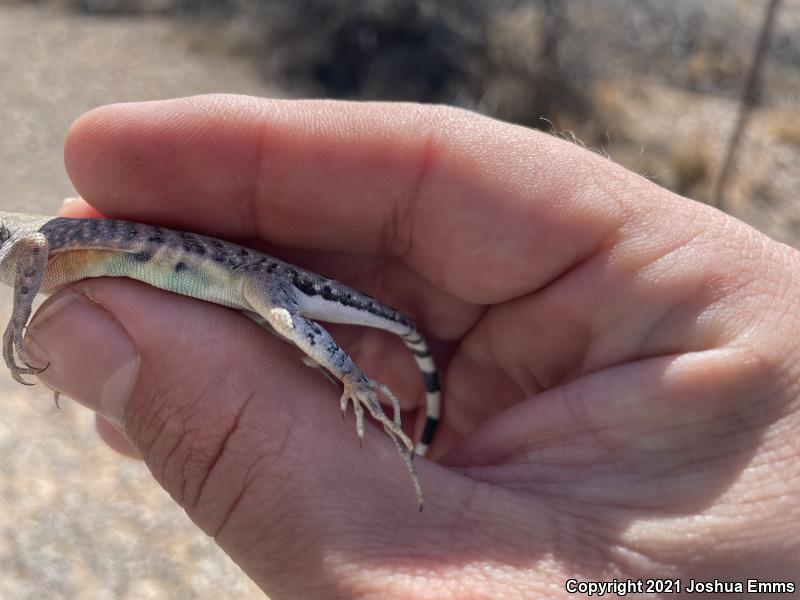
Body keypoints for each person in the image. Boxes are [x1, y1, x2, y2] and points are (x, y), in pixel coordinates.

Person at [28, 96, 798, 598]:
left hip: (248, 278)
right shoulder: (39, 245)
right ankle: (400, 403)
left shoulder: (33, 248)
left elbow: (32, 279)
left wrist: (16, 334)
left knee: (296, 331)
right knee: (304, 333)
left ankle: (368, 389)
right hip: (221, 273)